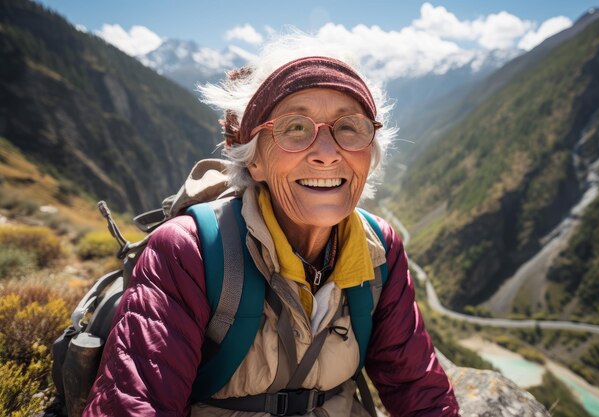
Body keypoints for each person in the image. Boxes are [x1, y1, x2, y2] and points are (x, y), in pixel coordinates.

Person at [83, 33, 459, 417]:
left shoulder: (380, 248)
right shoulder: (190, 251)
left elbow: (418, 389)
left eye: (349, 127)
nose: (328, 154)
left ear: (370, 153)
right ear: (254, 160)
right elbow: (137, 404)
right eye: (295, 127)